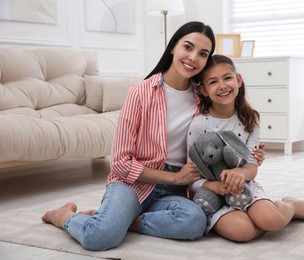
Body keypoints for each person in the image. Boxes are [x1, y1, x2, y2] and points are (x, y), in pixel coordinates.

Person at [41, 21, 265, 251]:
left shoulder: (203, 96)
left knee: (195, 222)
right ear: (172, 48)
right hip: (134, 184)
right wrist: (175, 178)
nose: (193, 57)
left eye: (203, 54)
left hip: (176, 191)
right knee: (100, 237)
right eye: (187, 47)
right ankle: (64, 216)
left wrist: (248, 153)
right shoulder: (140, 92)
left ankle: (127, 221)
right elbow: (119, 163)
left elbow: (222, 129)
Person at [187, 54, 304, 242]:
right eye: (213, 82)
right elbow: (191, 174)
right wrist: (214, 186)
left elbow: (252, 166)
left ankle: (291, 204)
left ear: (238, 80)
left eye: (227, 78)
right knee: (243, 232)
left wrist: (241, 172)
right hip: (211, 195)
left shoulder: (250, 120)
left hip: (245, 187)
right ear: (203, 90)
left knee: (273, 221)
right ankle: (253, 216)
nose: (222, 85)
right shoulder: (198, 125)